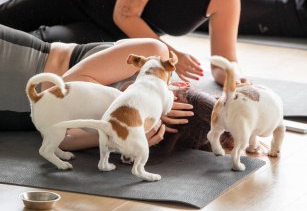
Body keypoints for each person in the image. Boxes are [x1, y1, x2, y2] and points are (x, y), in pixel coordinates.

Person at [0, 24, 197, 150]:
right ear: (178, 85)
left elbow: (60, 138)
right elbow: (64, 88)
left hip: (15, 114)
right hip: (20, 62)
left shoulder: (129, 125)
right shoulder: (154, 54)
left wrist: (118, 135)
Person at [0, 0, 243, 85]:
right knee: (5, 24)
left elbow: (223, 62)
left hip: (107, 35)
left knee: (39, 47)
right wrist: (174, 55)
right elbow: (125, 15)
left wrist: (235, 80)